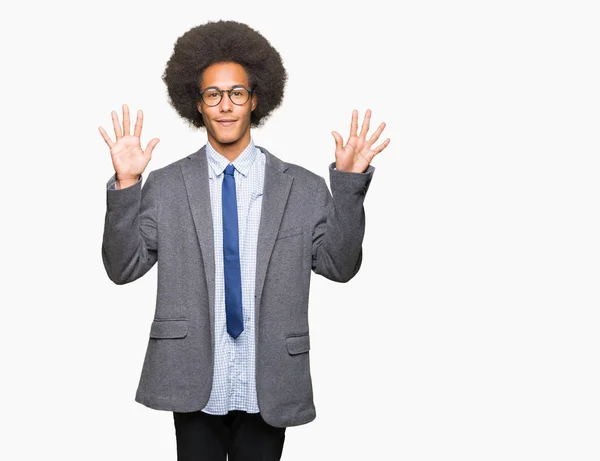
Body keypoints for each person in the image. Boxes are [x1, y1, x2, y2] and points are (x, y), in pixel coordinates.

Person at [99, 19, 390, 461]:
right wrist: (126, 185)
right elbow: (122, 268)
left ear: (256, 99)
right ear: (196, 104)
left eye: (237, 93)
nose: (226, 105)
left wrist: (349, 185)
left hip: (268, 378)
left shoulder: (304, 188)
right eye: (212, 94)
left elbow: (341, 266)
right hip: (194, 377)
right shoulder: (165, 185)